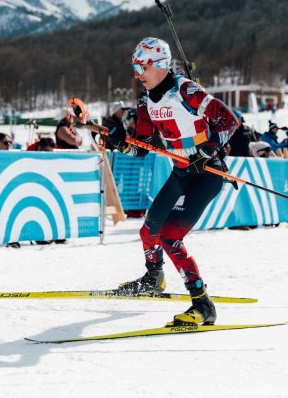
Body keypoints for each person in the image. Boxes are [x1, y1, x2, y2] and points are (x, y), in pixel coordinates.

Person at [102, 37, 239, 326]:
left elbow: (229, 122)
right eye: (135, 66)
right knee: (148, 231)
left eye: (142, 66)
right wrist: (118, 142)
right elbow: (141, 147)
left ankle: (203, 305)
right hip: (180, 172)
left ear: (160, 64)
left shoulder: (185, 90)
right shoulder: (144, 100)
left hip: (206, 174)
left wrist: (207, 151)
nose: (138, 73)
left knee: (169, 236)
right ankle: (154, 278)